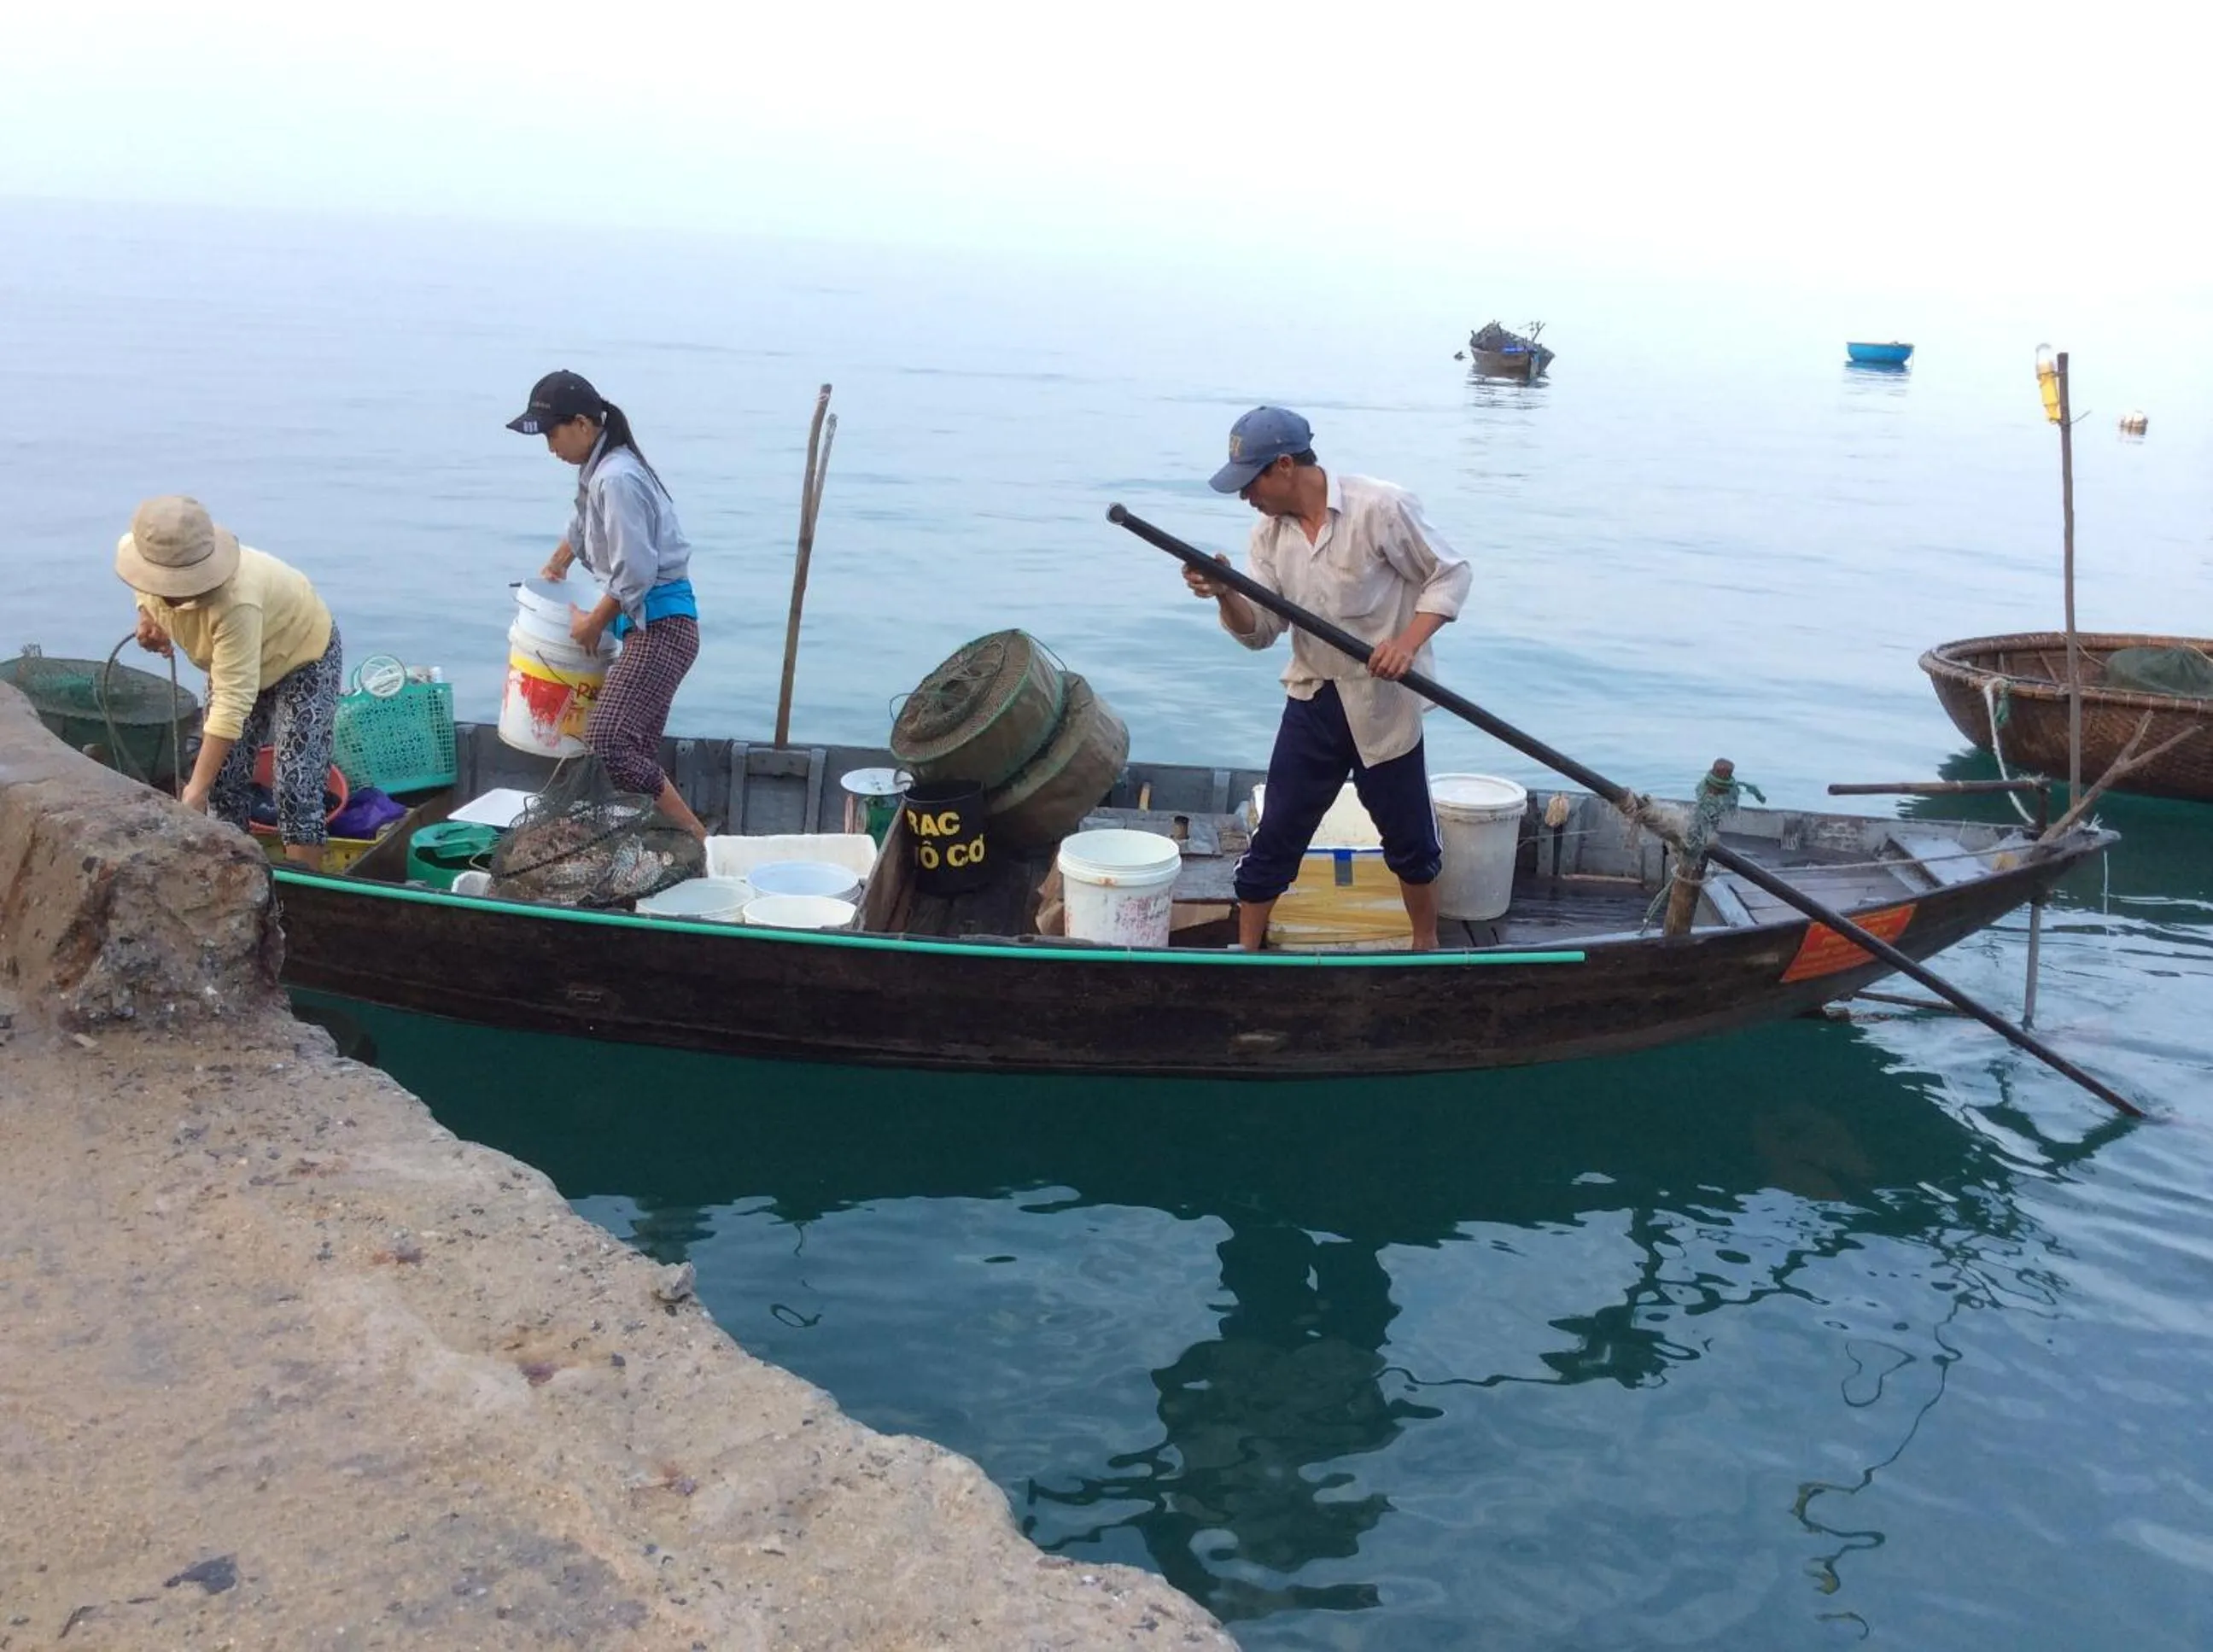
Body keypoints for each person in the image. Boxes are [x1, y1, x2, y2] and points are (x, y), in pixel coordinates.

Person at [1183, 406, 1471, 951]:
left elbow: (1451, 572)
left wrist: (1405, 646)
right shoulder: (1267, 537)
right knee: (1278, 834)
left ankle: (1425, 947)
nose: (1248, 497)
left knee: (1410, 840)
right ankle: (1246, 951)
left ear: (1285, 466)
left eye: (1252, 483)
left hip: (1384, 702)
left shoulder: (1379, 507)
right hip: (1314, 698)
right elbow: (1261, 629)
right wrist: (1225, 592)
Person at [507, 369, 707, 840]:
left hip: (663, 628)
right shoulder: (596, 470)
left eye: (553, 434)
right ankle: (658, 836)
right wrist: (556, 565)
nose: (550, 447)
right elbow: (582, 523)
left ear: (582, 424)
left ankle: (701, 841)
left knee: (609, 741)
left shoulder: (616, 477)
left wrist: (593, 623)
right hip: (648, 627)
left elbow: (635, 571)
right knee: (634, 744)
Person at [117, 494, 343, 871]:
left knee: (296, 786)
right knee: (223, 780)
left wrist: (194, 791)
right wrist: (148, 615)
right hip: (237, 665)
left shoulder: (236, 601)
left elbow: (231, 702)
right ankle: (231, 875)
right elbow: (142, 582)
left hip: (303, 655)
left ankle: (302, 895)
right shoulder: (139, 549)